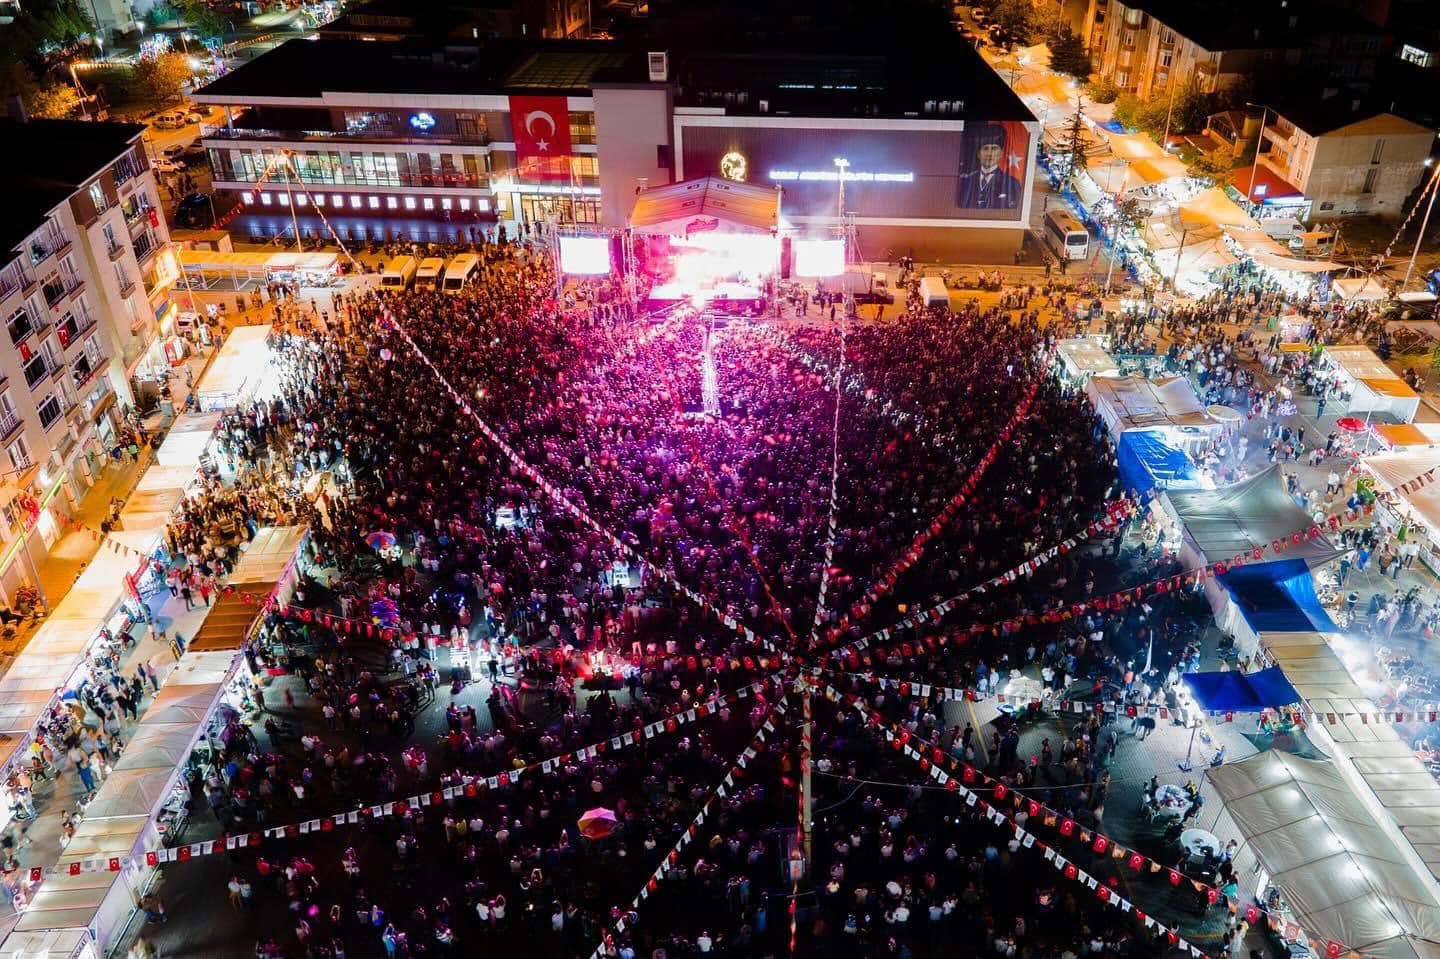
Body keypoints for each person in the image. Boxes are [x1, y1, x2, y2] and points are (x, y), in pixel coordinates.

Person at [956, 124, 1022, 210]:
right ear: (978, 154)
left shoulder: (1012, 184)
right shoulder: (966, 180)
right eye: (985, 148)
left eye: (994, 148)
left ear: (1001, 153)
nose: (990, 154)